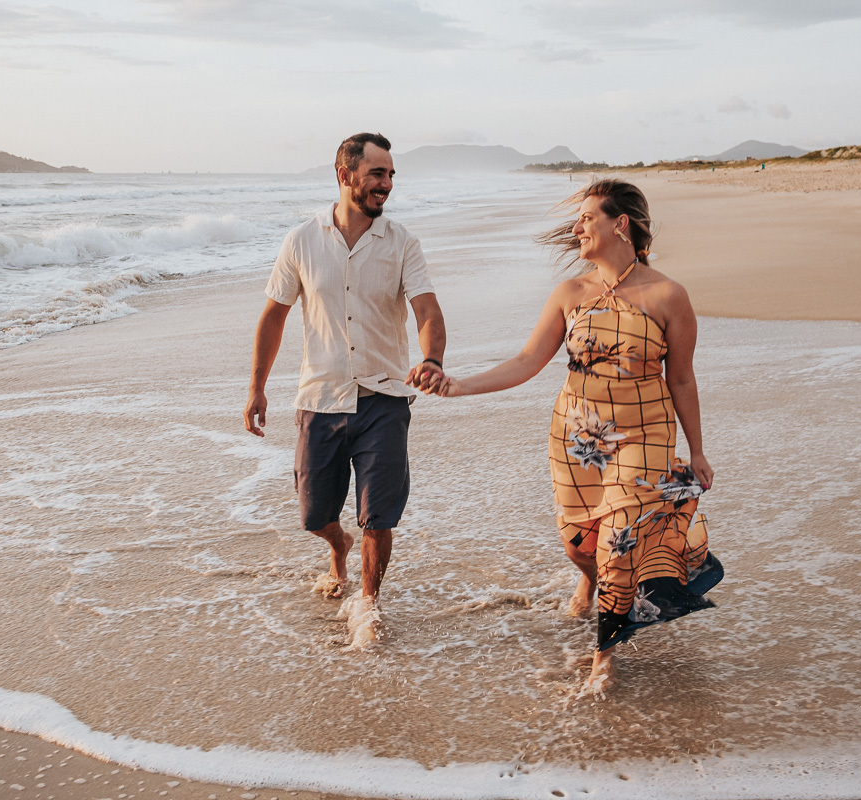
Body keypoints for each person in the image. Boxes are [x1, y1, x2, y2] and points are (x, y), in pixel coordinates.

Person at [414, 179, 722, 690]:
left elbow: (682, 378)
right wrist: (458, 386)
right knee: (582, 547)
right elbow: (529, 360)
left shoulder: (668, 295)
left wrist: (698, 450)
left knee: (618, 545)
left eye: (587, 218)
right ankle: (588, 580)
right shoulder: (570, 294)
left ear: (618, 224)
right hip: (577, 440)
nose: (577, 227)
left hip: (644, 436)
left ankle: (605, 655)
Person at [243, 132, 446, 636]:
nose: (387, 184)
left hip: (385, 397)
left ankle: (368, 603)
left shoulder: (403, 243)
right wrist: (257, 388)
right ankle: (338, 545)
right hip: (321, 397)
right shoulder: (302, 241)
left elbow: (426, 309)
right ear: (345, 174)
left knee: (378, 514)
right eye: (378, 173)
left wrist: (433, 358)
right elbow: (273, 317)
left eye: (391, 174)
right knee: (314, 515)